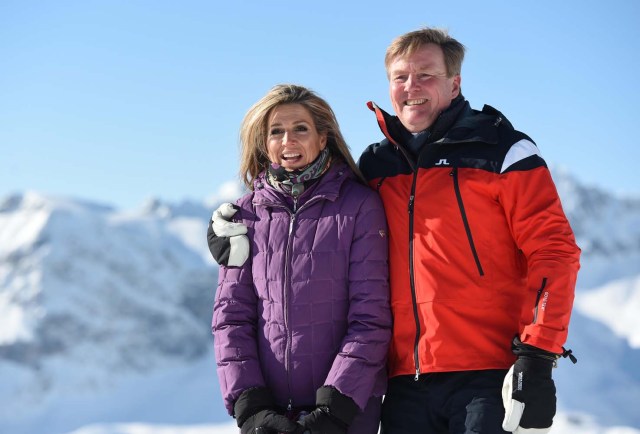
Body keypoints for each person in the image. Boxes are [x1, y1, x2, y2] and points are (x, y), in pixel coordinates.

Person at [209, 28, 581, 434]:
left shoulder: (503, 153)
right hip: (407, 384)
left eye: (426, 75)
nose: (411, 87)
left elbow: (554, 253)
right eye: (400, 77)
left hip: (486, 374)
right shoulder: (377, 168)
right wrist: (229, 230)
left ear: (454, 83)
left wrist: (538, 355)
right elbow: (308, 219)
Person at [209, 84, 392, 434]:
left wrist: (336, 407)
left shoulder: (358, 206)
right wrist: (250, 405)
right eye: (276, 131)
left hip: (343, 415)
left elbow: (371, 316)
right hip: (270, 416)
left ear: (323, 138)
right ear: (264, 143)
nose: (287, 140)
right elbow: (231, 316)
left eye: (300, 129)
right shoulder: (245, 214)